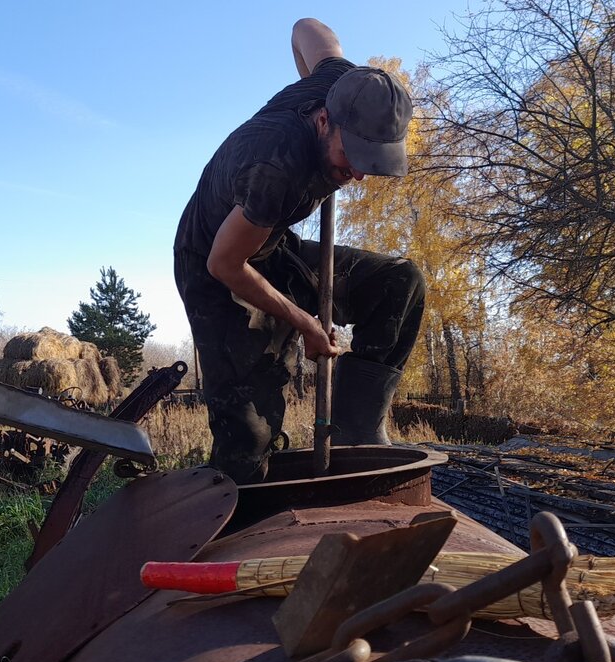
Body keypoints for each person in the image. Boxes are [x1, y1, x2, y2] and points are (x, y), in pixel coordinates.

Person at [173, 18, 426, 484]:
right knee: (250, 433)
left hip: (272, 245)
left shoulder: (343, 84)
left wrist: (308, 79)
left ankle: (357, 429)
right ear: (324, 121)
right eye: (351, 157)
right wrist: (306, 323)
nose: (358, 175)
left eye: (372, 161)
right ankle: (235, 525)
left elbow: (305, 27)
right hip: (216, 266)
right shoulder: (275, 167)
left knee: (400, 282)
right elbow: (226, 264)